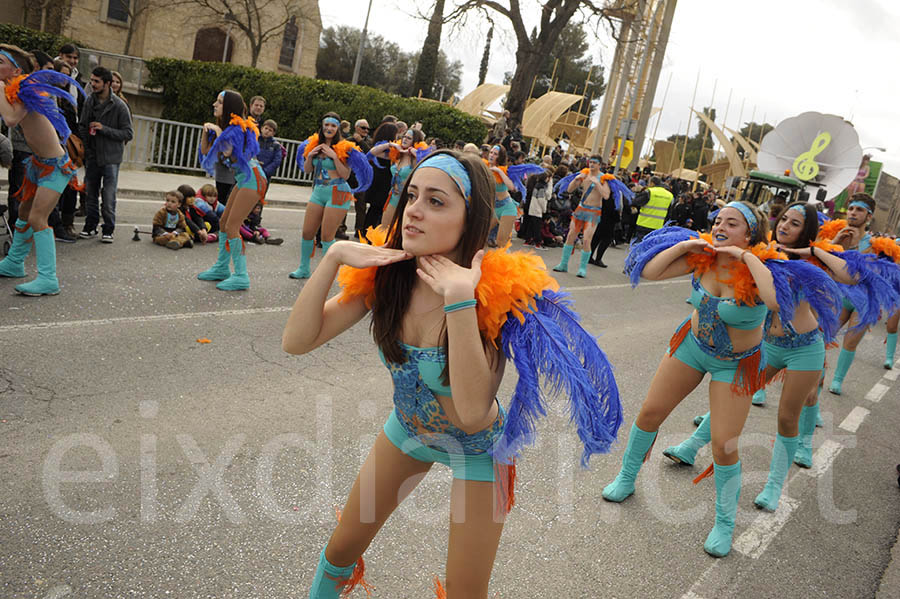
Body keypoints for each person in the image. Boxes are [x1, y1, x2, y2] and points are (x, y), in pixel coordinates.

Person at [282, 150, 622, 598]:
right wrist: (334, 258)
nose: (414, 211)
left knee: (465, 592)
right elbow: (297, 341)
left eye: (436, 201)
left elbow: (470, 413)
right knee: (341, 547)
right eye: (412, 196)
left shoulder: (495, 296)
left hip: (480, 450)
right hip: (407, 431)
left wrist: (460, 299)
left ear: (471, 219)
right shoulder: (388, 275)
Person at [605, 201, 831, 557]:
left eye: (733, 222)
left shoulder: (768, 268)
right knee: (650, 413)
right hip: (691, 347)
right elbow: (647, 271)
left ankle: (724, 523)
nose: (721, 226)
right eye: (718, 220)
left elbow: (775, 301)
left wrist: (746, 256)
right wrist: (684, 247)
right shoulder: (703, 258)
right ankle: (626, 478)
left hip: (736, 364)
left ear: (750, 232)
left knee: (724, 445)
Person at [664, 202, 849, 512]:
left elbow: (850, 275)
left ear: (808, 230)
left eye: (796, 223)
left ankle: (774, 485)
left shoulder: (816, 260)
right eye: (784, 219)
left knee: (787, 417)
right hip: (767, 345)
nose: (786, 226)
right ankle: (692, 445)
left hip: (804, 347)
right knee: (732, 398)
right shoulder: (761, 252)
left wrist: (813, 252)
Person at [0, 45, 83, 295]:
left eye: (0, 61)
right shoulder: (13, 91)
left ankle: (48, 279)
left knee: (37, 218)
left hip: (56, 166)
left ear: (16, 70)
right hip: (37, 164)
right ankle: (15, 263)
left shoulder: (26, 89)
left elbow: (11, 119)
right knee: (24, 214)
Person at [196, 89, 268, 291]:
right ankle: (221, 268)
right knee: (224, 222)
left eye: (219, 102)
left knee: (233, 227)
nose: (214, 105)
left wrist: (218, 133)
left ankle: (241, 275)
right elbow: (206, 152)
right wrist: (206, 134)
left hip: (253, 178)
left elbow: (231, 153)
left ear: (228, 107)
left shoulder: (237, 129)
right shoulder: (227, 129)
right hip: (244, 179)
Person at [289, 112, 372, 279]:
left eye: (333, 125)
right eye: (326, 124)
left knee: (327, 236)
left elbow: (345, 175)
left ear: (338, 128)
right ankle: (304, 268)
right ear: (322, 126)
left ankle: (326, 274)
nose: (329, 128)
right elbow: (307, 169)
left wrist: (334, 156)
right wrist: (311, 155)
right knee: (307, 233)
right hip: (318, 191)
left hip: (338, 191)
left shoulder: (344, 147)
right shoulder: (313, 144)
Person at [79, 65, 133, 243]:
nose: (92, 84)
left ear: (107, 83)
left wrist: (104, 129)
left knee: (108, 197)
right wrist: (86, 150)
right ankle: (90, 226)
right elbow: (83, 126)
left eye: (96, 81)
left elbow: (128, 133)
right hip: (93, 156)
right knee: (90, 195)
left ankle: (108, 229)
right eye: (92, 80)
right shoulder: (89, 101)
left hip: (111, 159)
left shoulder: (119, 105)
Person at [553, 157, 632, 277]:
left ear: (600, 165)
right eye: (591, 162)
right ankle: (563, 264)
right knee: (570, 236)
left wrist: (596, 183)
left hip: (594, 212)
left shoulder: (604, 178)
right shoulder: (584, 174)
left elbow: (606, 195)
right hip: (581, 209)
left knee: (586, 240)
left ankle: (582, 268)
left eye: (595, 162)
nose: (592, 164)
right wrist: (575, 180)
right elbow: (569, 190)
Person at [368, 128, 427, 229]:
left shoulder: (416, 159)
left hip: (407, 200)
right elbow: (372, 153)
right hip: (393, 197)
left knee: (401, 231)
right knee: (384, 229)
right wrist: (391, 145)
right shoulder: (397, 154)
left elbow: (428, 162)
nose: (405, 139)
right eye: (404, 136)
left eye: (409, 138)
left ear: (415, 141)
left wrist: (414, 152)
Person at [361, 122, 397, 230]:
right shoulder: (382, 147)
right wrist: (390, 145)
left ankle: (368, 231)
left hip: (381, 182)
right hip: (380, 183)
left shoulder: (389, 148)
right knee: (375, 210)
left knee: (377, 210)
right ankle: (367, 232)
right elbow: (371, 154)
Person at [631, 175, 674, 242]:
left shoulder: (649, 192)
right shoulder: (669, 195)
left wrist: (638, 192)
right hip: (658, 226)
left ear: (652, 183)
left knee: (640, 245)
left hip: (643, 223)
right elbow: (669, 213)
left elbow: (635, 202)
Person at [350, 119, 372, 237]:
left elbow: (370, 154)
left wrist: (361, 142)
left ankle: (359, 230)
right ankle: (339, 228)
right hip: (349, 177)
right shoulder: (348, 141)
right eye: (363, 128)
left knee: (361, 206)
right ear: (356, 128)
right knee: (343, 204)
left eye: (367, 129)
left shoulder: (369, 142)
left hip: (361, 179)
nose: (366, 131)